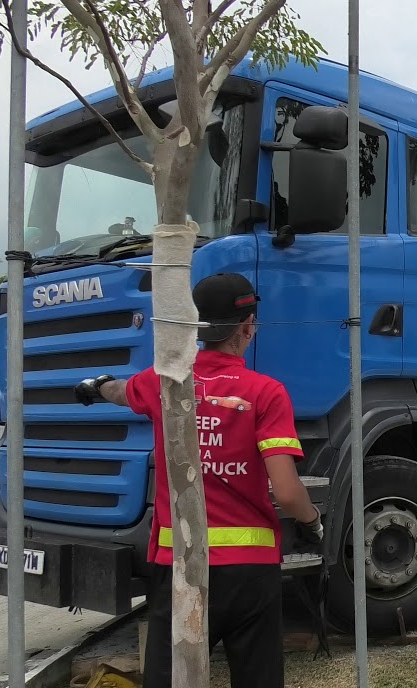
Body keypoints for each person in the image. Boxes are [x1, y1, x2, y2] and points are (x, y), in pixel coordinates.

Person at [73, 273, 321, 688]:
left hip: (181, 568)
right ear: (247, 327)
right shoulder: (266, 392)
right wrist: (312, 522)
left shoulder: (164, 383)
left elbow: (120, 390)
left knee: (171, 680)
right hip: (250, 574)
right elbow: (288, 492)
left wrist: (96, 387)